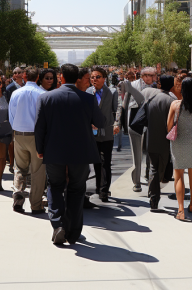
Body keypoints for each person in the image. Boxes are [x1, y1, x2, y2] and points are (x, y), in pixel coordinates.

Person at [35, 63, 102, 245]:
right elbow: (100, 122)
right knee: (76, 190)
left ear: (61, 77)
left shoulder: (46, 98)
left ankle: (58, 225)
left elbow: (39, 127)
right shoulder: (88, 99)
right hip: (80, 152)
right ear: (77, 78)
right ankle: (73, 232)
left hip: (54, 150)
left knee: (55, 187)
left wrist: (39, 149)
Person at [126, 75, 176, 211]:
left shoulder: (152, 99)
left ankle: (153, 197)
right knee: (161, 169)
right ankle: (154, 194)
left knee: (154, 168)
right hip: (166, 141)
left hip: (151, 138)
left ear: (159, 84)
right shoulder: (173, 101)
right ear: (172, 85)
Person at [9, 67, 46, 214]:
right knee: (37, 171)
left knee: (20, 167)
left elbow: (11, 114)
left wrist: (15, 128)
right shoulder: (42, 94)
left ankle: (18, 193)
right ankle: (36, 205)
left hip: (19, 134)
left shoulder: (16, 93)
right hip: (36, 136)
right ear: (37, 77)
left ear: (24, 76)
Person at [167, 78, 192, 219]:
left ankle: (181, 210)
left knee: (178, 176)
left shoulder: (175, 105)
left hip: (179, 142)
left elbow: (169, 126)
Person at [86, 67, 121, 202]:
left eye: (98, 77)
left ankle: (104, 190)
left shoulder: (112, 91)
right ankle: (98, 186)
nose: (94, 79)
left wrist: (117, 123)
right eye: (93, 77)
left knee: (105, 161)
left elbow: (117, 108)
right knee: (96, 161)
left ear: (104, 78)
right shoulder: (89, 92)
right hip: (92, 132)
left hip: (107, 130)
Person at [126, 67, 156, 192]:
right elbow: (124, 104)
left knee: (151, 152)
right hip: (135, 121)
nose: (148, 77)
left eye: (151, 75)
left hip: (152, 122)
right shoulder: (132, 85)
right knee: (137, 154)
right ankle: (136, 182)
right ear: (141, 76)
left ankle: (149, 177)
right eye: (146, 75)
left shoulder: (157, 86)